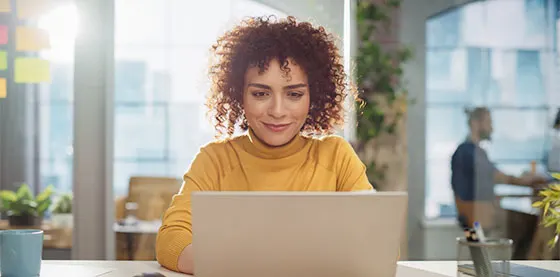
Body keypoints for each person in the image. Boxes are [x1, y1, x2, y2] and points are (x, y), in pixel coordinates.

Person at [155, 16, 374, 274]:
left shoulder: (336, 157)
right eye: (260, 94)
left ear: (313, 97)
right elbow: (172, 239)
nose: (278, 111)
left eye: (294, 94)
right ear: (239, 95)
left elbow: (376, 244)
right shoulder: (214, 159)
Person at [450, 107, 548, 231]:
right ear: (475, 123)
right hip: (476, 218)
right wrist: (525, 181)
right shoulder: (468, 152)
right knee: (531, 225)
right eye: (489, 122)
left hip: (474, 217)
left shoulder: (472, 152)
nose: (492, 128)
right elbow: (496, 176)